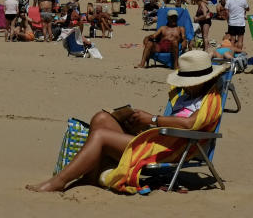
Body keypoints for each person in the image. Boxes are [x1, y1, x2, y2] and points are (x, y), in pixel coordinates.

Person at [27, 50, 228, 192]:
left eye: (190, 83)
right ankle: (92, 173)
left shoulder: (211, 100)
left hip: (171, 149)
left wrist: (153, 119)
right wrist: (142, 122)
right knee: (102, 118)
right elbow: (172, 120)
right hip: (157, 139)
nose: (186, 86)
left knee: (100, 135)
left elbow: (188, 124)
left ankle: (60, 181)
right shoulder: (185, 95)